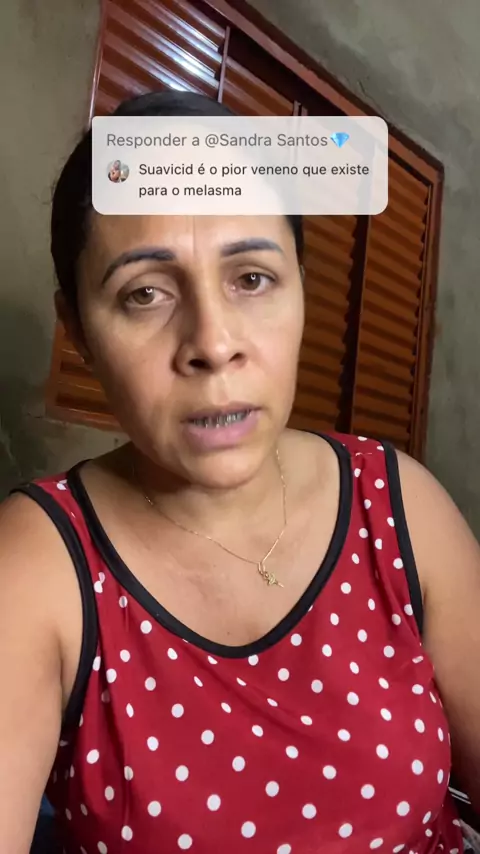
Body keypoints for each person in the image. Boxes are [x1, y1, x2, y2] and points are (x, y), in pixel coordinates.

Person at [1, 91, 479, 854]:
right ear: (79, 333)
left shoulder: (398, 504)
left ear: (301, 287)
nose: (214, 343)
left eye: (252, 278)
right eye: (145, 294)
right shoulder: (39, 566)